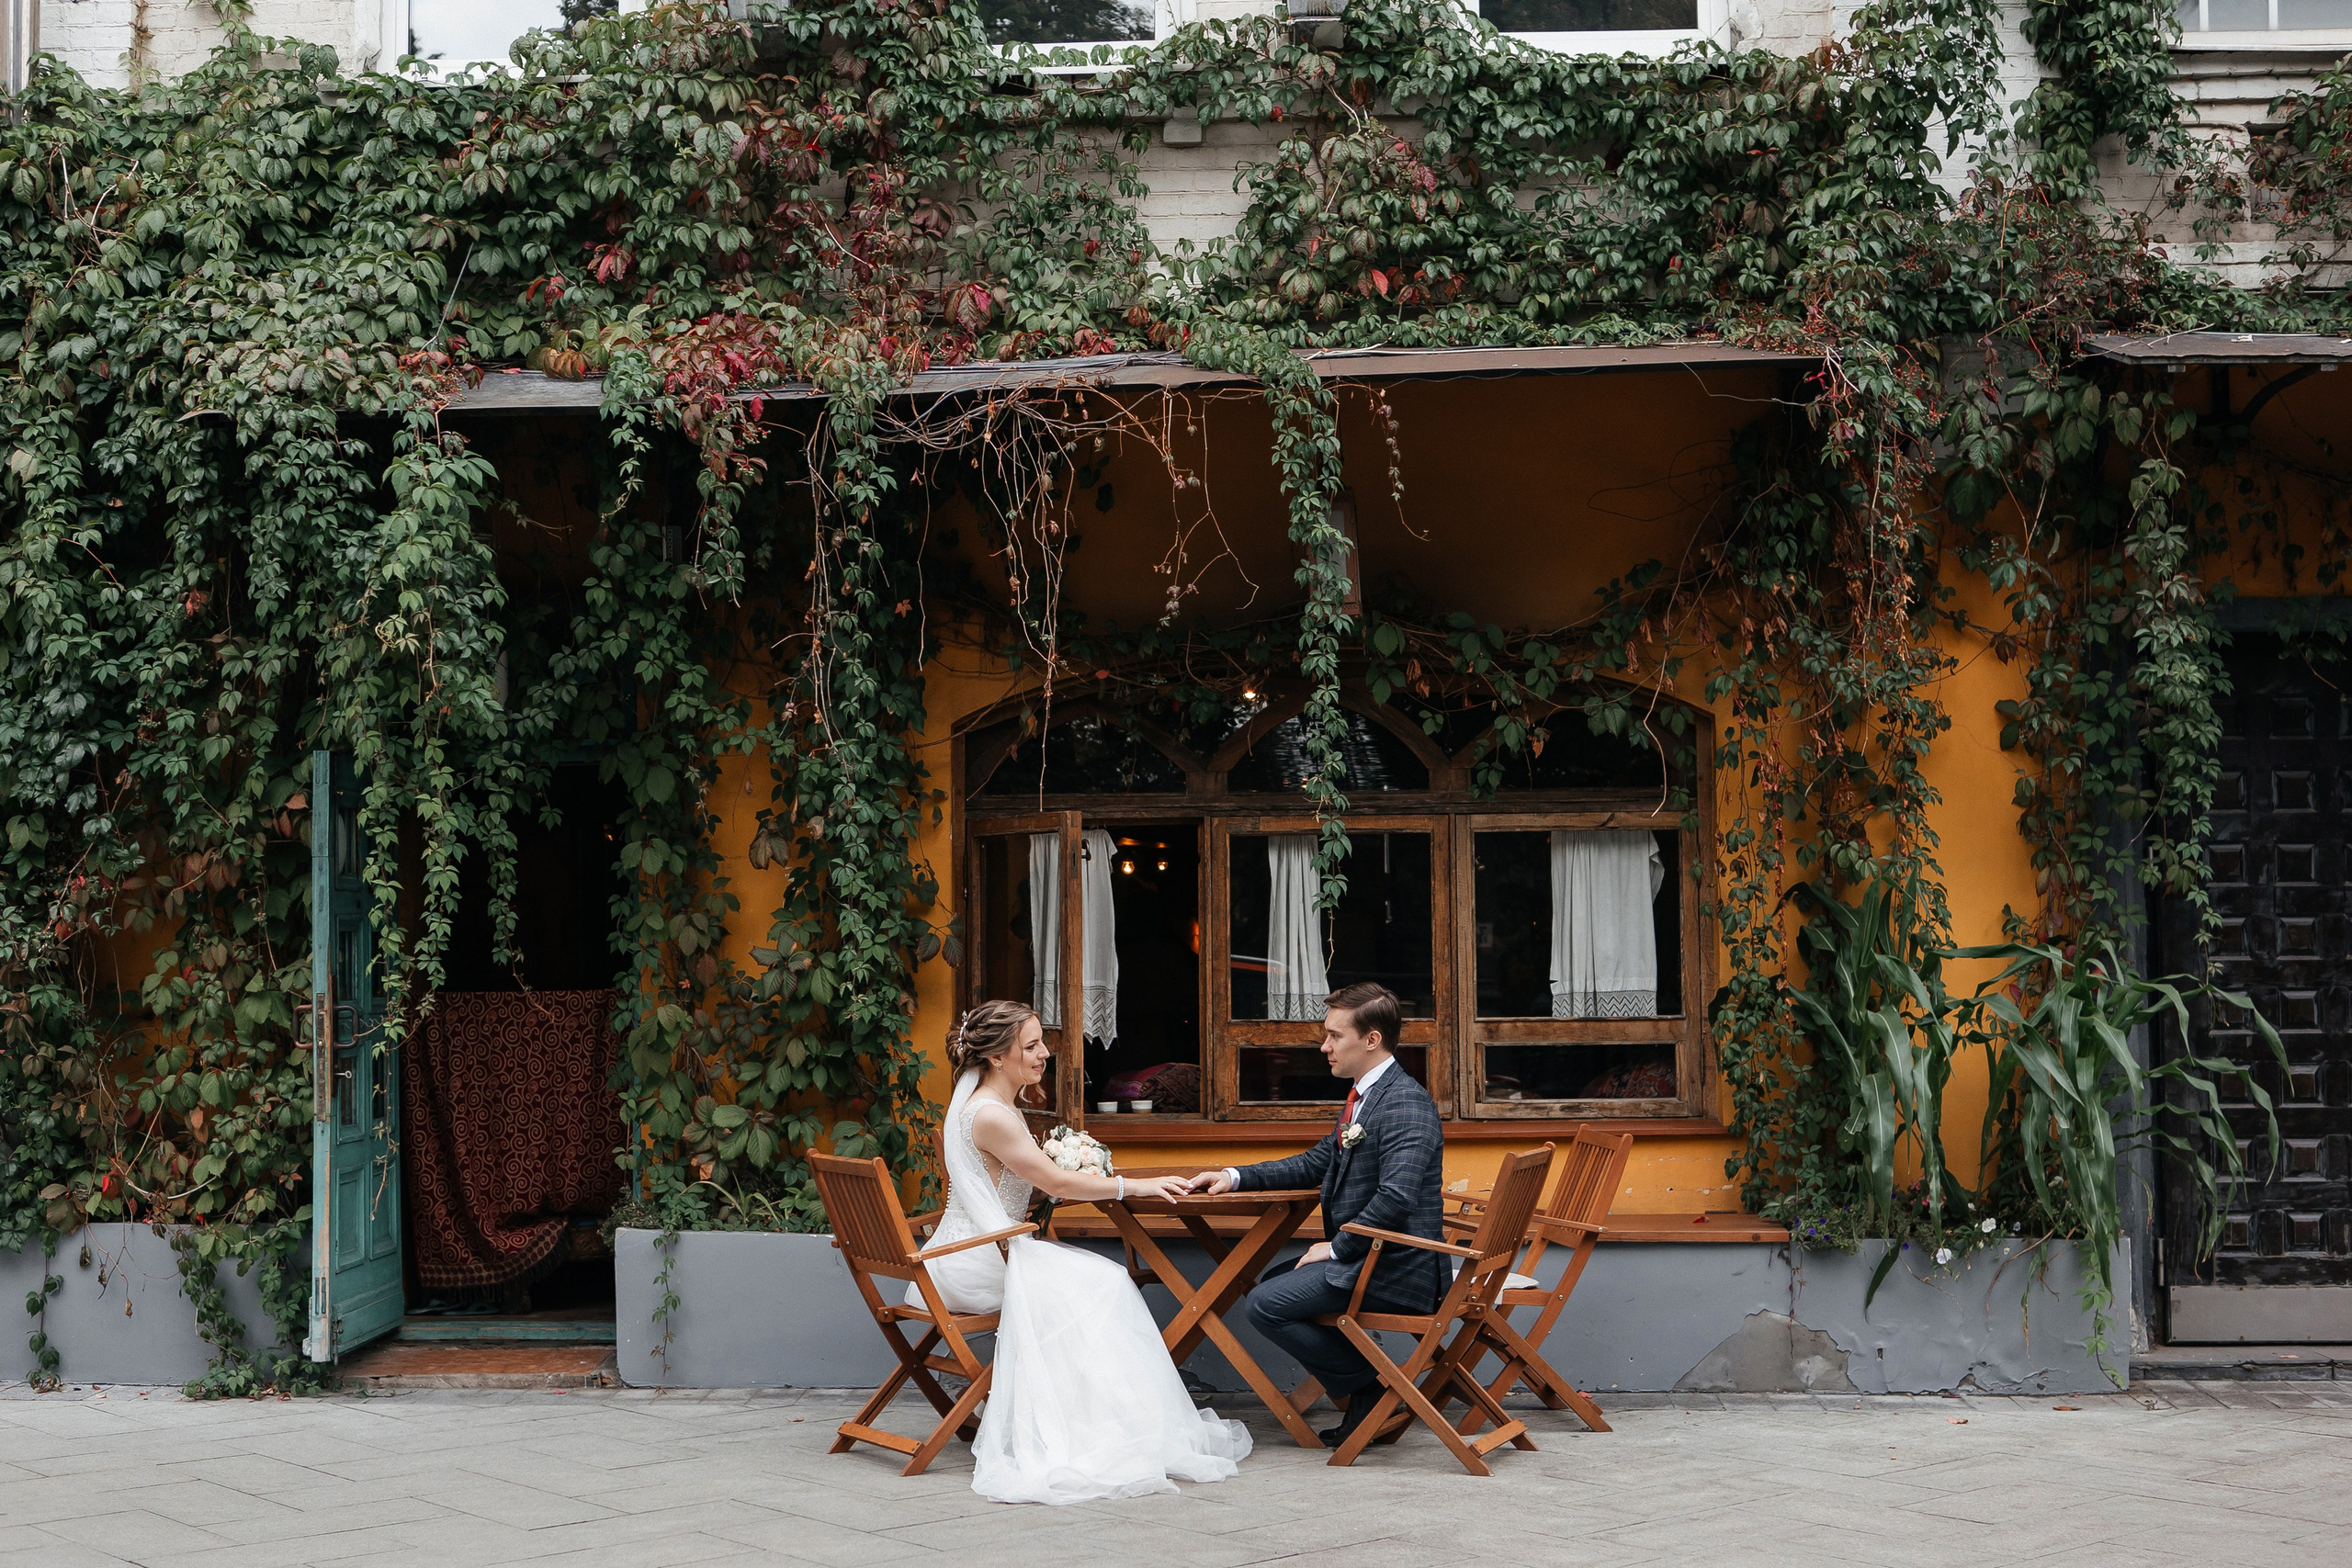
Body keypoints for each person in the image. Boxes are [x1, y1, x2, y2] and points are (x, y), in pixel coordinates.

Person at [919, 999, 1252, 1505]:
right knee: (1105, 1284)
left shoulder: (995, 1104)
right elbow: (1052, 1180)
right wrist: (1133, 1187)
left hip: (975, 1248)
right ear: (996, 1057)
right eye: (1030, 1046)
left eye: (1041, 1042)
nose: (1044, 1053)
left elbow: (1024, 1181)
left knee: (1091, 1283)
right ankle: (1089, 1431)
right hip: (979, 1256)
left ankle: (1080, 1419)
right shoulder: (991, 1114)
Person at [1186, 981, 1445, 1451]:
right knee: (1273, 1283)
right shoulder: (1367, 1097)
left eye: (1334, 1036)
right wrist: (1233, 1175)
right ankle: (1371, 1387)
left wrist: (1339, 1246)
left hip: (1399, 1267)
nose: (1324, 1046)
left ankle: (1371, 1390)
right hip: (1374, 1258)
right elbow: (1315, 1161)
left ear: (1371, 1040)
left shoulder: (1404, 1103)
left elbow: (1397, 1197)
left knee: (1266, 1304)